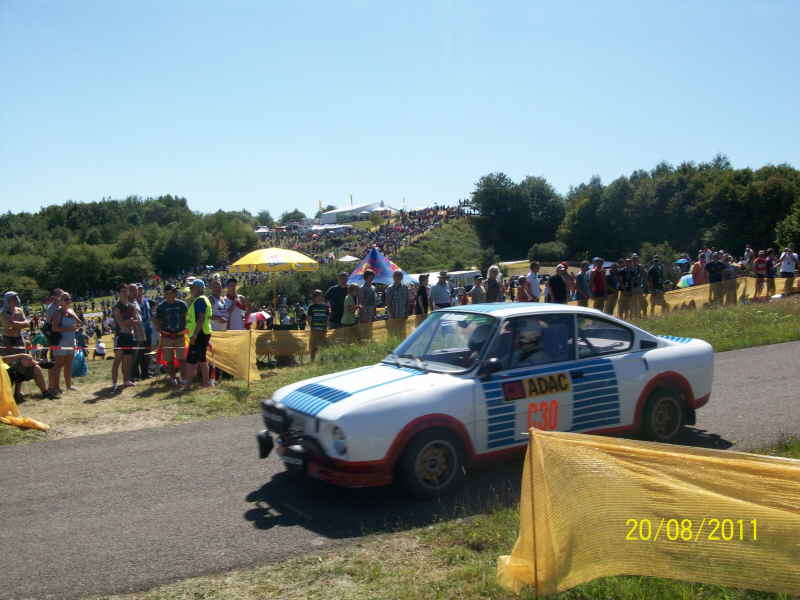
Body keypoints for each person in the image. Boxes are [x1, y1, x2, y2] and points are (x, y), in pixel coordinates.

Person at [153, 284, 188, 386]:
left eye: (174, 292)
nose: (173, 294)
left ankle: (183, 378)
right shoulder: (161, 307)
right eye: (171, 292)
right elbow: (156, 320)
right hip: (167, 336)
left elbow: (187, 318)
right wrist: (159, 329)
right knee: (169, 359)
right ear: (166, 293)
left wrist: (186, 329)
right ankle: (172, 378)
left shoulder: (182, 304)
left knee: (182, 359)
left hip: (180, 335)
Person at [49, 292, 82, 394]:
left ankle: (69, 385)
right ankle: (55, 387)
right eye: (66, 299)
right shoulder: (57, 313)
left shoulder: (71, 311)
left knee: (69, 364)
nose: (68, 301)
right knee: (58, 365)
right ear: (61, 301)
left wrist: (74, 317)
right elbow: (54, 328)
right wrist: (69, 329)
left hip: (71, 341)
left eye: (69, 299)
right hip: (60, 343)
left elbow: (79, 323)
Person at [184, 279, 212, 389]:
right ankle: (206, 383)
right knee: (202, 359)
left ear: (198, 288)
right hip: (203, 332)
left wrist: (194, 335)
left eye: (192, 287)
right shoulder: (203, 299)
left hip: (199, 334)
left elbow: (201, 318)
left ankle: (188, 384)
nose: (190, 289)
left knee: (191, 360)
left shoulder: (200, 300)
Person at [307, 289, 330, 361]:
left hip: (323, 329)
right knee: (313, 346)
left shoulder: (326, 307)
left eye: (321, 296)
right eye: (317, 296)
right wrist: (312, 327)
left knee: (323, 346)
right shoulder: (311, 307)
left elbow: (327, 317)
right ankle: (312, 360)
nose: (319, 298)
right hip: (314, 330)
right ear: (314, 298)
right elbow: (309, 318)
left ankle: (323, 359)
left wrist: (326, 326)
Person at [385, 271, 410, 337]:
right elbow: (388, 302)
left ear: (402, 277)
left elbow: (407, 301)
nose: (398, 278)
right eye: (396, 276)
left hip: (403, 313)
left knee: (403, 331)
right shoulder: (390, 288)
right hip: (394, 314)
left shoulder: (405, 288)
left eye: (400, 276)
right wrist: (390, 313)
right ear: (393, 277)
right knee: (394, 332)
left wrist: (407, 312)